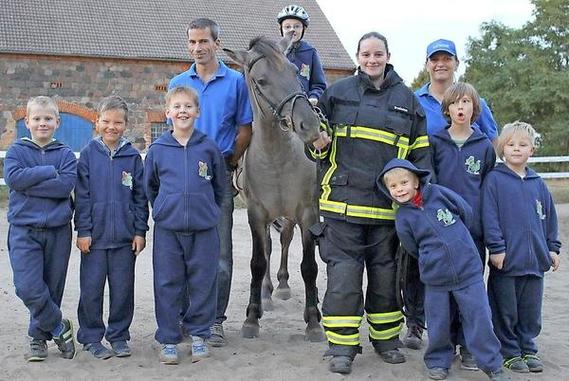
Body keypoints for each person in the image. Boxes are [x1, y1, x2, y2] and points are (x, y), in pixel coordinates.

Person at [307, 32, 431, 375]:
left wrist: (420, 202)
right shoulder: (337, 94)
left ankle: (386, 341)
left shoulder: (408, 100)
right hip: (342, 208)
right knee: (343, 280)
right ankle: (342, 347)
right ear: (358, 57)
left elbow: (421, 156)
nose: (372, 60)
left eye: (378, 54)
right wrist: (317, 143)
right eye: (366, 54)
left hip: (388, 213)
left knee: (386, 279)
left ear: (388, 55)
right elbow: (315, 148)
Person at [403, 38, 499, 351]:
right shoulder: (415, 100)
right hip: (427, 198)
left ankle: (464, 339)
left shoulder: (473, 99)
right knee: (423, 264)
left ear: (456, 63)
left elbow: (492, 144)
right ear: (427, 63)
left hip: (468, 203)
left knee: (466, 272)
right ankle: (416, 324)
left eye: (447, 58)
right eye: (435, 59)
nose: (441, 64)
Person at [378, 159, 506, 381]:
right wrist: (431, 260)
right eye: (394, 186)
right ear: (388, 190)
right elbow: (411, 246)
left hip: (468, 271)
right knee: (438, 323)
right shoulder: (403, 217)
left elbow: (466, 212)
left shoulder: (439, 194)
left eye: (404, 182)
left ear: (416, 181)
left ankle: (492, 364)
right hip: (435, 278)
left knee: (480, 319)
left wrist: (459, 243)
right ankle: (438, 361)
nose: (400, 189)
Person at [168, 18, 253, 347]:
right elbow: (174, 129)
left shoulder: (235, 82)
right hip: (184, 178)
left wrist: (230, 160)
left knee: (218, 253)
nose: (197, 48)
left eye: (203, 41)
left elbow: (245, 128)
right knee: (182, 251)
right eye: (192, 42)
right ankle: (185, 316)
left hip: (217, 179)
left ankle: (214, 320)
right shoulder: (178, 81)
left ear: (217, 43)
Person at [144, 86, 225, 365]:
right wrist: (166, 209)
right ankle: (168, 339)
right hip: (169, 230)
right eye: (176, 106)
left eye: (188, 106)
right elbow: (150, 187)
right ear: (167, 112)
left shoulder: (209, 147)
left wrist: (207, 211)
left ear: (197, 111)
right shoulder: (158, 150)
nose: (182, 111)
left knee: (203, 282)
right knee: (167, 283)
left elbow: (220, 188)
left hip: (204, 230)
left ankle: (200, 334)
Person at [482, 121, 561, 374]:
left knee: (530, 311)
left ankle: (528, 348)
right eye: (511, 144)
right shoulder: (495, 180)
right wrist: (496, 248)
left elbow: (549, 217)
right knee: (506, 310)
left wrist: (552, 248)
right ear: (502, 149)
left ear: (532, 151)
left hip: (535, 262)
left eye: (522, 145)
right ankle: (509, 351)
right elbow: (489, 217)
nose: (516, 149)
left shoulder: (538, 183)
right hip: (506, 261)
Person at [75, 95, 149, 359]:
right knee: (91, 290)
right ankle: (91, 337)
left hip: (124, 240)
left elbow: (140, 197)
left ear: (125, 125)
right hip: (94, 239)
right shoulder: (87, 155)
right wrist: (83, 231)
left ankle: (118, 336)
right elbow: (81, 197)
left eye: (118, 122)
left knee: (122, 291)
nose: (111, 127)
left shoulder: (132, 157)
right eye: (106, 121)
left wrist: (140, 231)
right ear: (97, 122)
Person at [3, 96, 77, 361]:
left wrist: (29, 183)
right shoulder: (16, 151)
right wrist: (48, 171)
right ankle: (58, 326)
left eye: (48, 118)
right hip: (24, 230)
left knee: (51, 288)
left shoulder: (66, 154)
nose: (42, 123)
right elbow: (13, 178)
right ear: (27, 121)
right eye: (37, 118)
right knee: (27, 287)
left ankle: (38, 338)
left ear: (57, 121)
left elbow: (64, 186)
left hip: (58, 231)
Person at [430, 82, 496, 369]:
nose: (461, 107)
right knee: (442, 297)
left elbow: (490, 191)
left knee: (471, 295)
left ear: (475, 109)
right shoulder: (435, 142)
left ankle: (469, 347)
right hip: (442, 233)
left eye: (467, 102)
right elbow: (429, 188)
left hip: (473, 234)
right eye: (455, 103)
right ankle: (440, 354)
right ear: (447, 109)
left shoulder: (484, 147)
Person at [276, 4, 326, 105]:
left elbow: (319, 84)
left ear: (304, 29)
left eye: (297, 26)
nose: (292, 30)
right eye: (287, 27)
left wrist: (314, 96)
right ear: (281, 29)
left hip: (303, 106)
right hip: (279, 106)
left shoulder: (310, 52)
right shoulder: (274, 52)